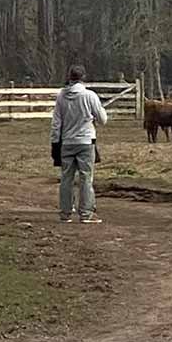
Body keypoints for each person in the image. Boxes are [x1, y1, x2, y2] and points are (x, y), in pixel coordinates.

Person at [50, 64, 109, 224]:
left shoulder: (61, 96)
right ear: (83, 77)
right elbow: (103, 119)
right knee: (86, 177)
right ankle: (86, 213)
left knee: (66, 178)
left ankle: (65, 213)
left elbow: (56, 122)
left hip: (66, 141)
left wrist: (55, 142)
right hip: (86, 141)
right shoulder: (89, 95)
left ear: (69, 77)